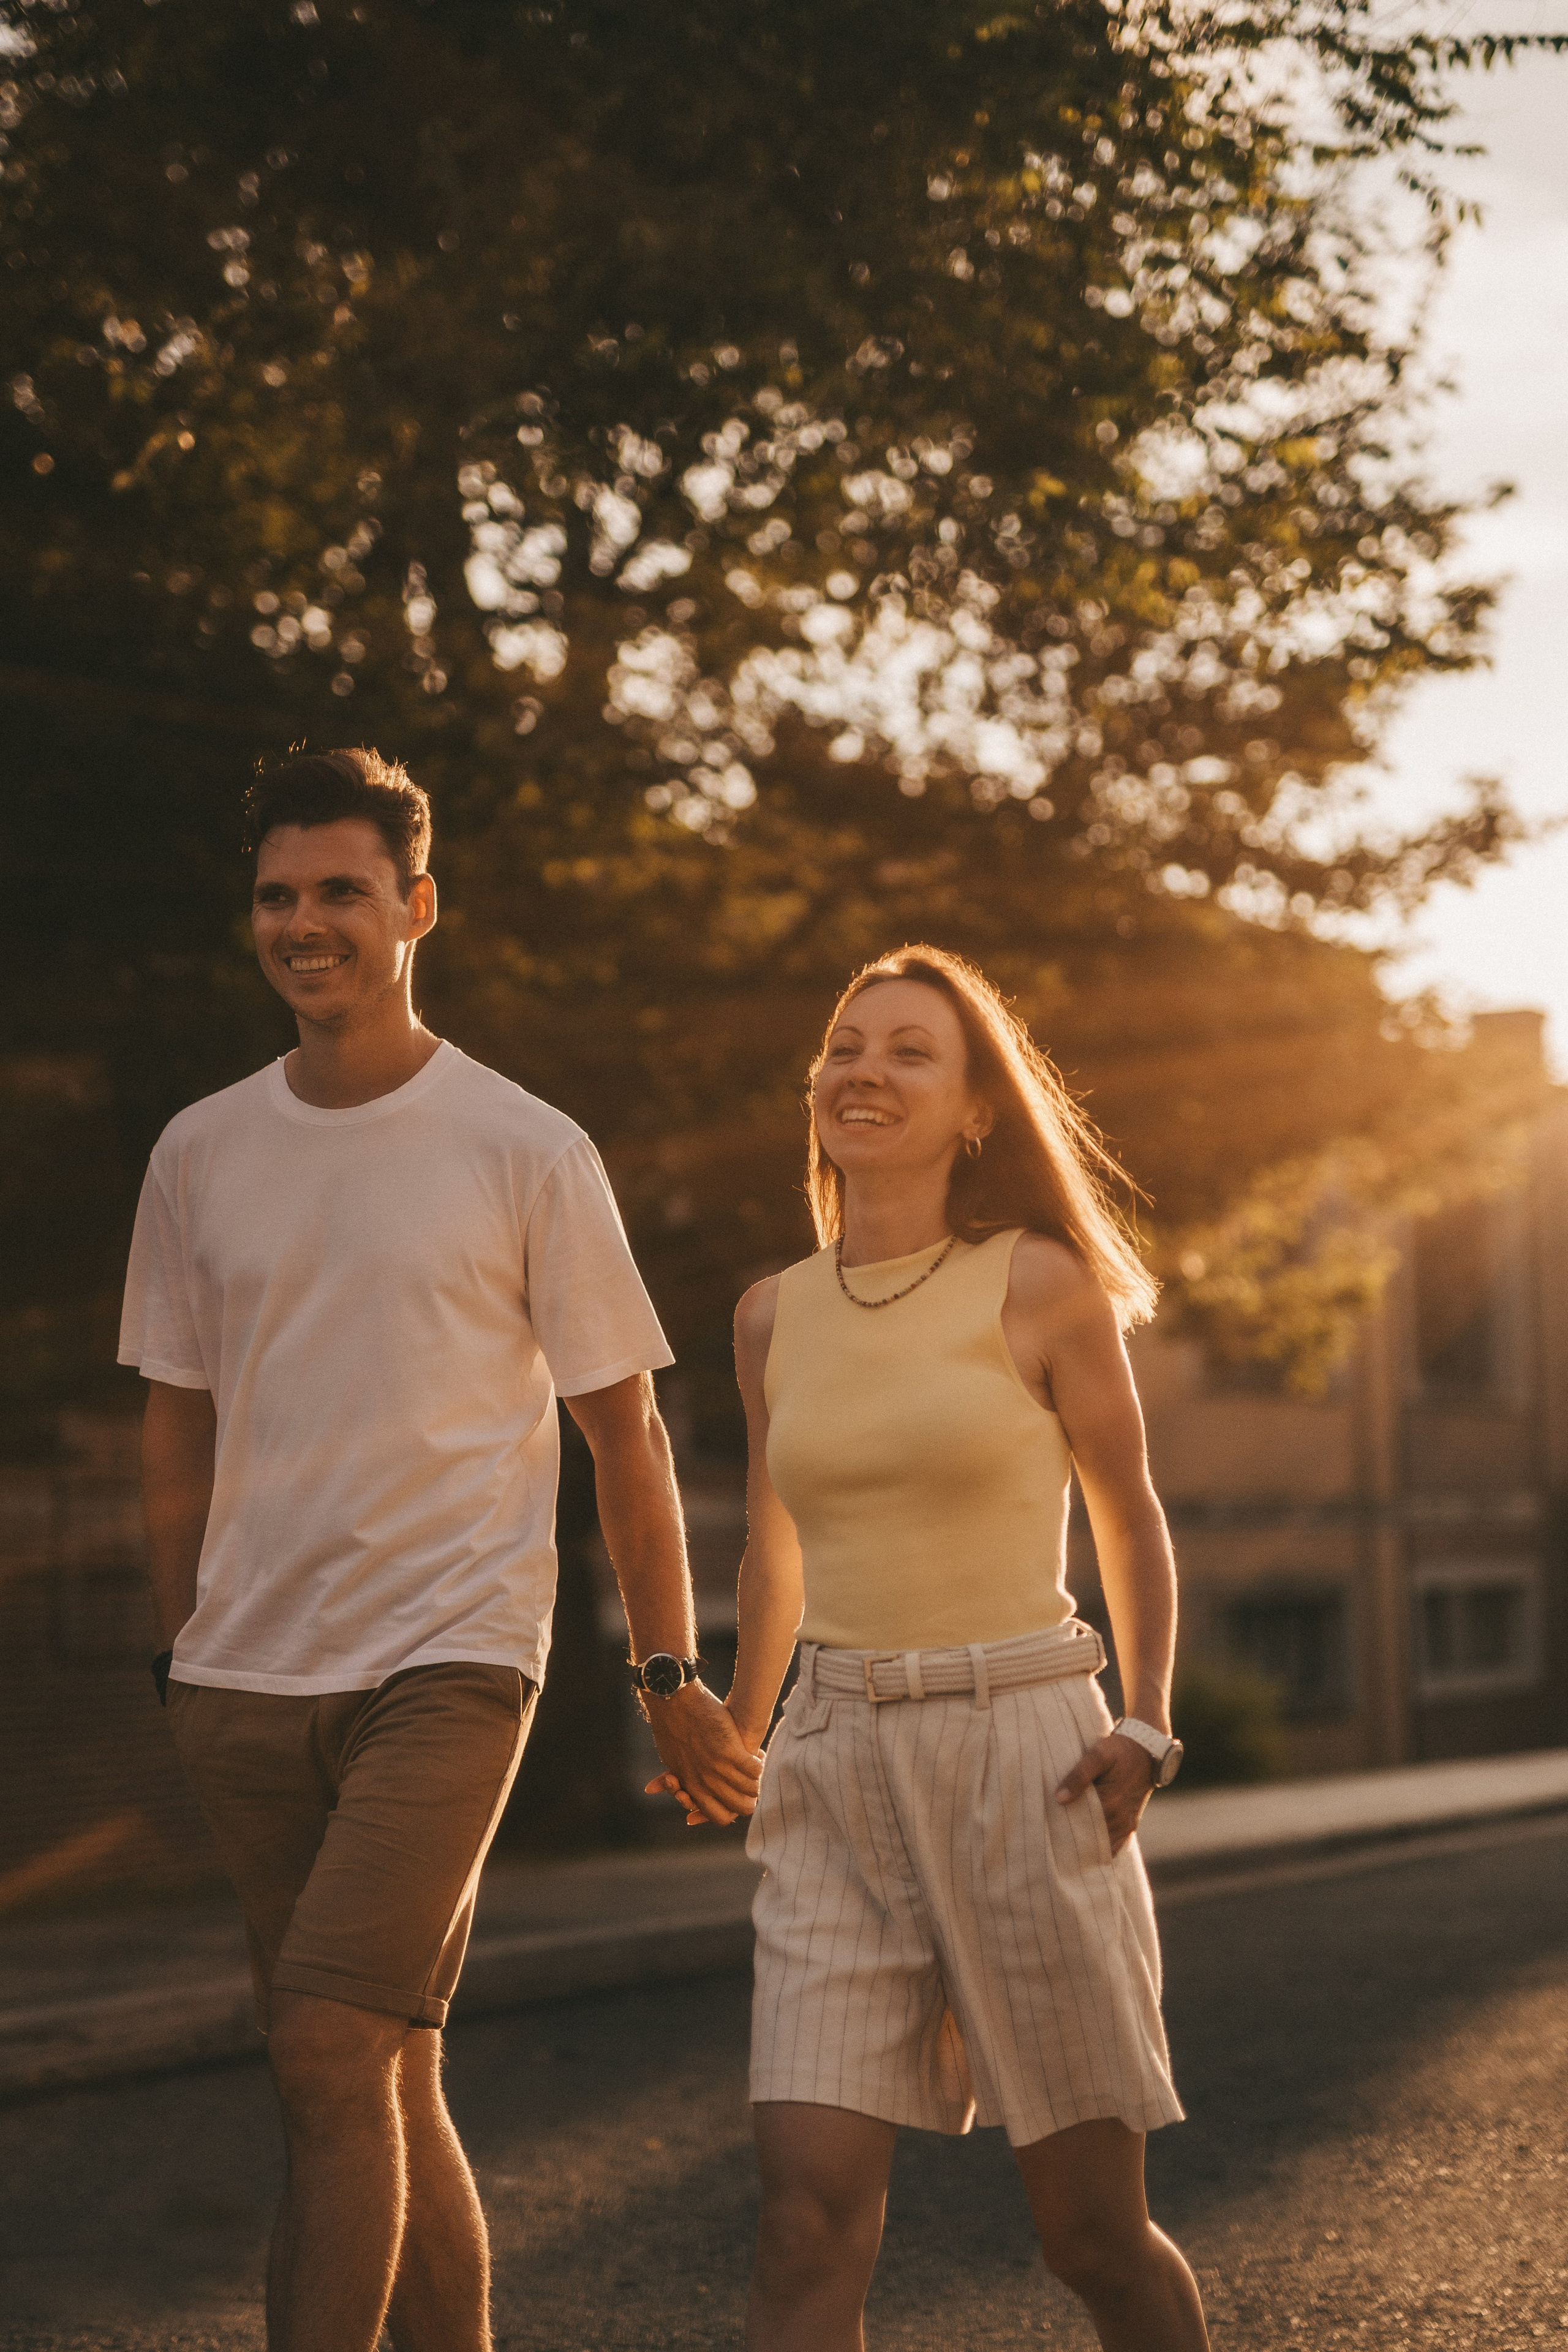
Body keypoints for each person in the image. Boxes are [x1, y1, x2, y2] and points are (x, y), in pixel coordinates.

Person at [120, 747, 761, 2352]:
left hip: (454, 1663)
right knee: (383, 2067)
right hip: (246, 1678)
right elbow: (174, 1423)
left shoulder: (522, 1144)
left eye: (341, 890)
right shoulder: (199, 1150)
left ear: (417, 907)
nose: (304, 921)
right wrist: (181, 1648)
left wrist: (670, 1670)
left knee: (325, 2057)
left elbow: (627, 1432)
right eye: (277, 894)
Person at [655, 944, 1209, 2351]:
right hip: (831, 1769)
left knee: (1089, 2237)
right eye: (845, 1045)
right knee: (801, 2223)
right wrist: (737, 1711)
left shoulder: (1035, 1284)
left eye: (909, 1050)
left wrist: (1144, 1721)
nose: (863, 1069)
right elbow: (774, 1542)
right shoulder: (771, 1311)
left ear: (975, 1111)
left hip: (1024, 1754)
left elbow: (1126, 1512)